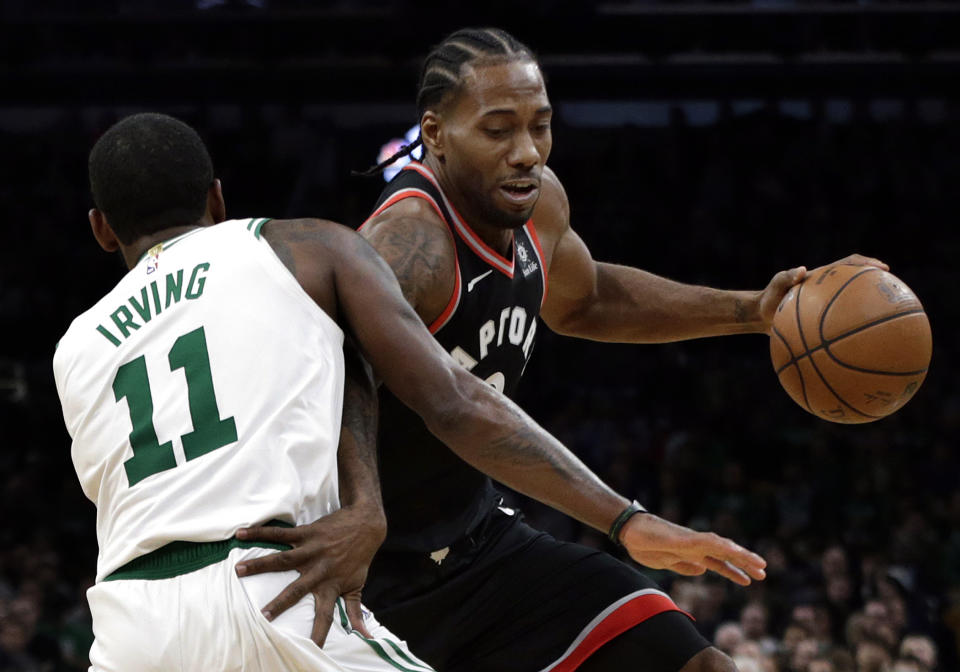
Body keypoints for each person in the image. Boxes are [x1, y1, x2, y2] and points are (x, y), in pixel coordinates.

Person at [239, 27, 884, 672]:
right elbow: (343, 376)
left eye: (539, 125)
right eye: (498, 129)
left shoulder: (539, 201)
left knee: (698, 662)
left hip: (475, 543)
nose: (526, 152)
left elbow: (587, 299)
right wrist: (366, 509)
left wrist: (751, 312)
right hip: (370, 573)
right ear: (435, 134)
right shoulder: (411, 244)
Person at [56, 113, 766, 670]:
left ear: (99, 230)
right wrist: (622, 519)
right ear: (217, 197)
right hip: (275, 581)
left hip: (128, 620)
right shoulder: (300, 248)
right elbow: (438, 397)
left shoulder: (75, 347)